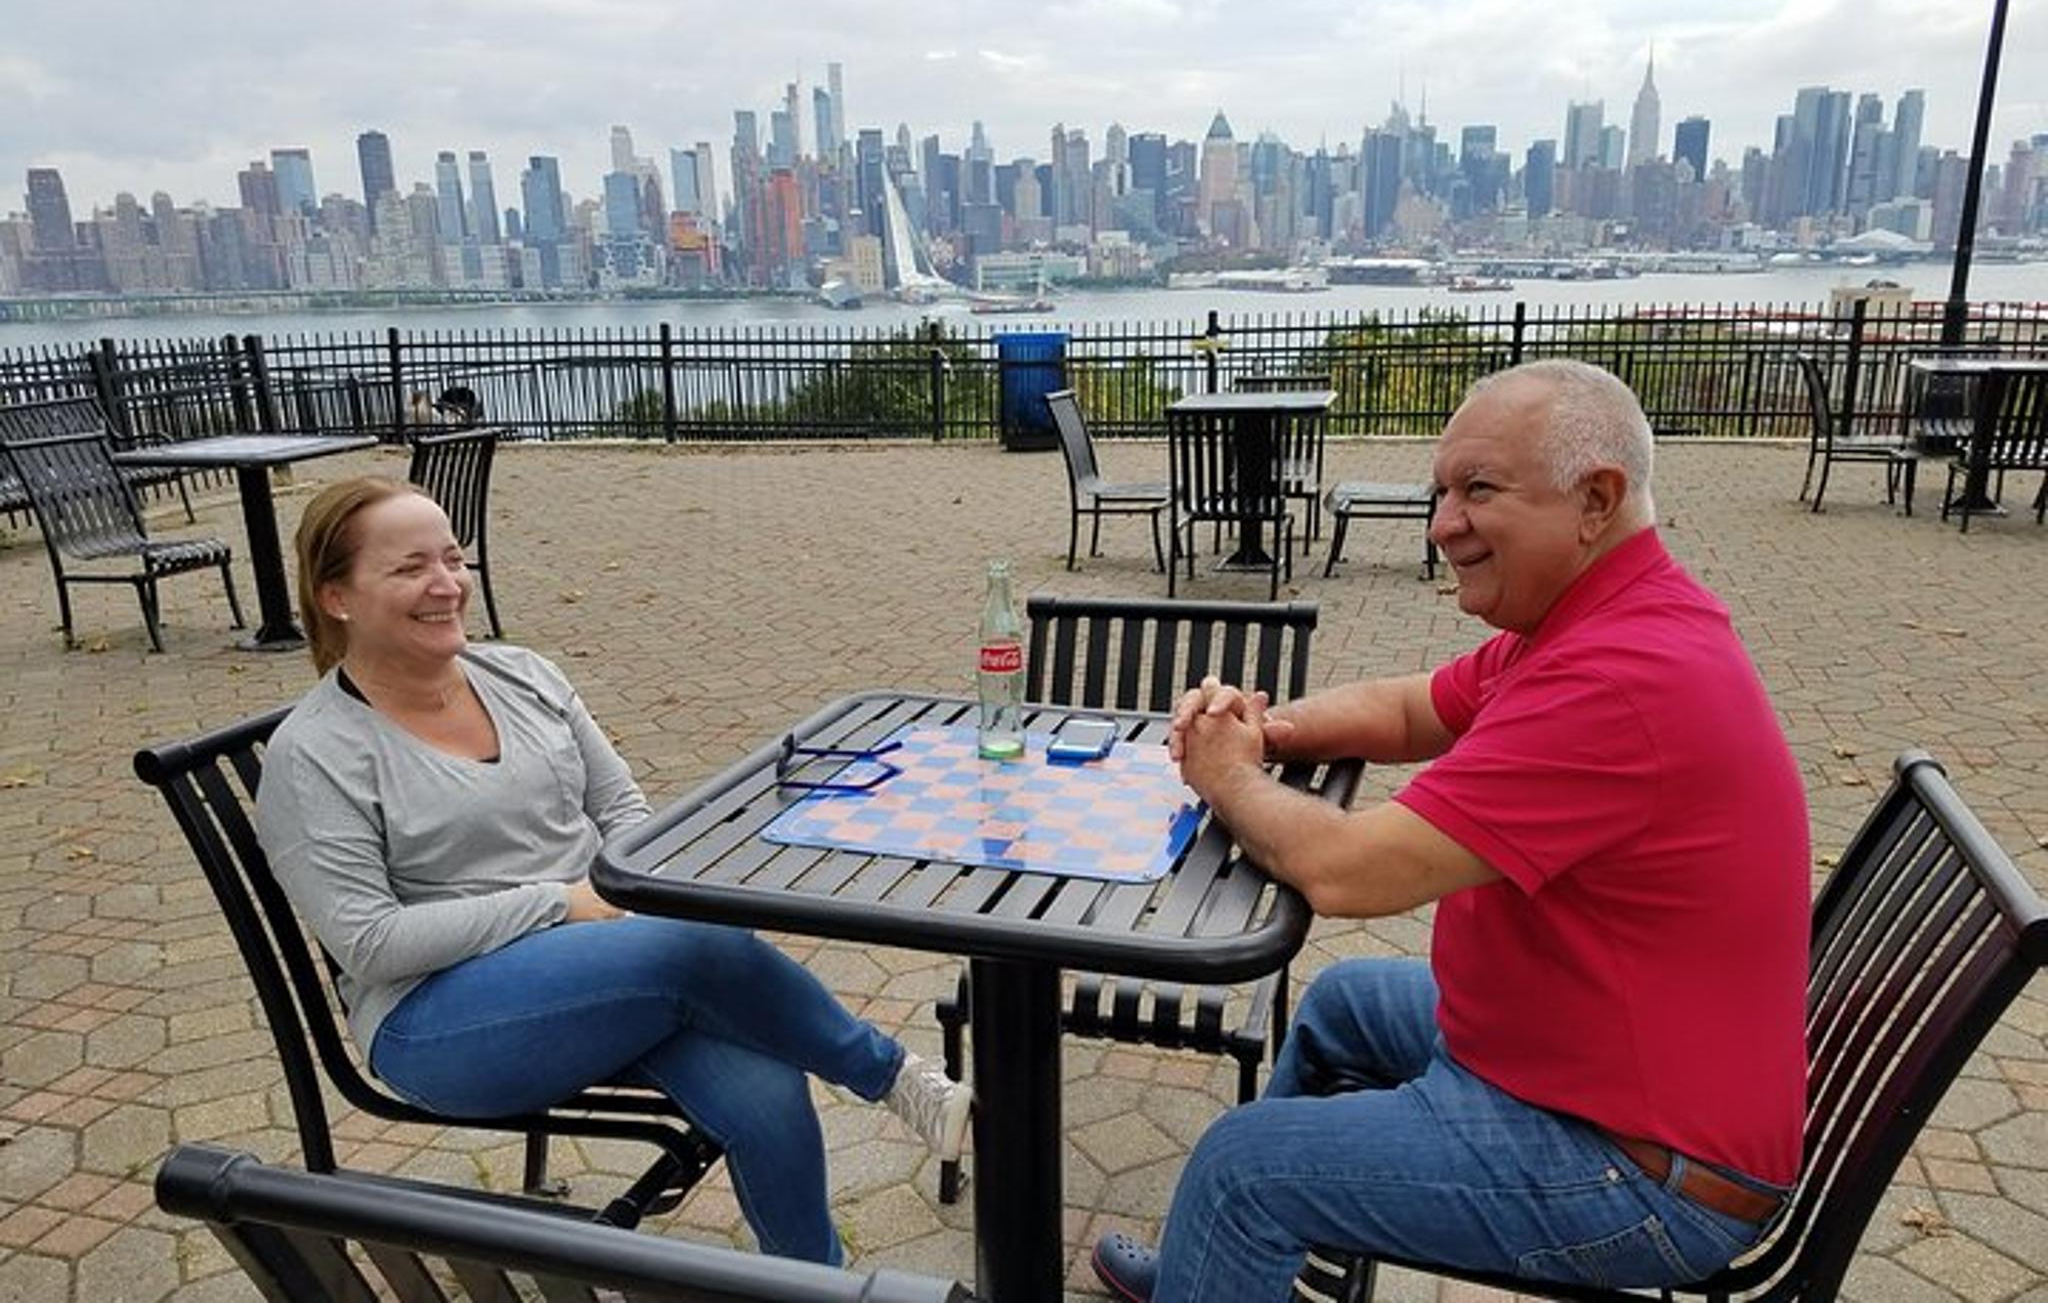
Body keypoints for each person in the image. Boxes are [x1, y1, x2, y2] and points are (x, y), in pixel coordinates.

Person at [1092, 360, 1809, 1302]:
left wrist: (1223, 772)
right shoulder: (1588, 619)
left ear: (1595, 500)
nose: (1442, 524)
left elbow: (1350, 874)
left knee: (1241, 1168)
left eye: (1478, 490)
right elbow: (1406, 708)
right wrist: (1264, 731)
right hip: (1578, 1063)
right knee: (1342, 1003)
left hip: (1637, 1169)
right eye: (1440, 491)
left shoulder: (1621, 679)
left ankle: (1231, 1237)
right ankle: (1227, 1270)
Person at [254, 476, 970, 1266]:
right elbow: (370, 941)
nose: (446, 583)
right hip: (438, 1019)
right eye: (409, 567)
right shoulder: (315, 754)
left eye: (453, 558)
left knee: (767, 1081)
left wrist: (629, 904)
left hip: (603, 967)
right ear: (336, 597)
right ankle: (891, 1075)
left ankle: (814, 1285)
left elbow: (627, 815)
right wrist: (559, 904)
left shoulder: (526, 675)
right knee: (699, 950)